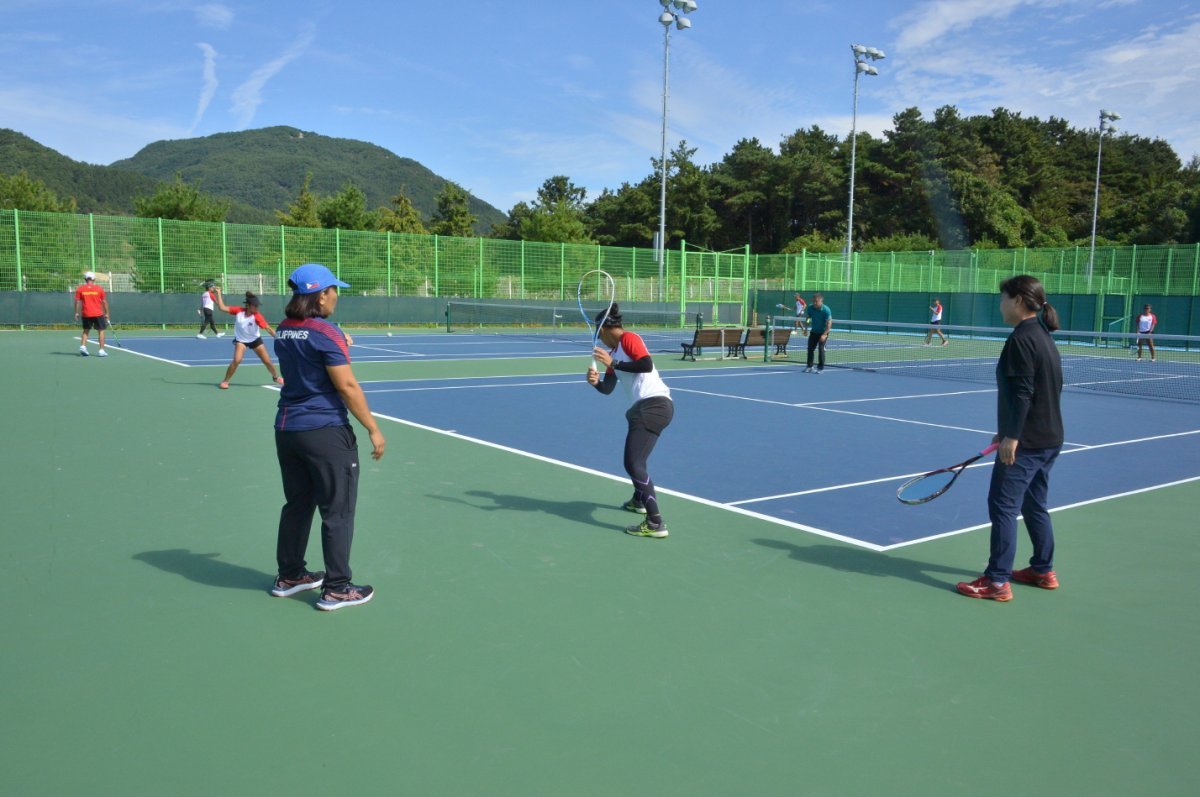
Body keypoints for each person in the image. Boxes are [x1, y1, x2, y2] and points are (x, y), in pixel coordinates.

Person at [271, 263, 385, 610]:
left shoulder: (283, 329)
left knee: (298, 503)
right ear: (321, 295)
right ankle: (337, 587)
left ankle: (290, 575)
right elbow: (347, 386)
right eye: (334, 290)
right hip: (325, 432)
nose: (337, 296)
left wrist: (335, 338)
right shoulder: (326, 333)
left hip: (288, 430)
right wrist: (373, 428)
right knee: (337, 511)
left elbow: (306, 349)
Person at [957, 275, 1064, 602]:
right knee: (1034, 504)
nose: (1000, 303)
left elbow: (1022, 394)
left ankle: (996, 580)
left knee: (1002, 505)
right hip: (1049, 438)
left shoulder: (1021, 339)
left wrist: (1012, 437)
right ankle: (1043, 570)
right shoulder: (1043, 336)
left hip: (1027, 443)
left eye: (1003, 297)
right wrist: (1006, 430)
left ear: (1018, 300)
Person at [587, 304, 675, 539]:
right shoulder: (614, 353)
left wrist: (612, 363)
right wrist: (595, 382)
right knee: (637, 460)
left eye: (599, 333)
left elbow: (645, 365)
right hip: (646, 409)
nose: (600, 339)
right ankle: (639, 501)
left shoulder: (629, 338)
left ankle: (656, 522)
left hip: (654, 405)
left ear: (605, 328)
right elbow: (607, 389)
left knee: (634, 464)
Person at [213, 288, 284, 389]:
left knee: (267, 361)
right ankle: (225, 381)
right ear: (248, 305)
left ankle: (276, 377)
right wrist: (219, 293)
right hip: (241, 341)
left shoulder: (257, 316)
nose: (257, 307)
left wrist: (279, 339)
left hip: (255, 340)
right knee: (237, 360)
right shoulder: (238, 311)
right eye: (255, 306)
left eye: (257, 306)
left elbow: (268, 328)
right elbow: (222, 307)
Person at [73, 271, 110, 357]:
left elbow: (77, 302)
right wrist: (107, 313)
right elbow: (104, 302)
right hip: (98, 314)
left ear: (85, 279)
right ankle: (101, 350)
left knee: (86, 330)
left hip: (86, 314)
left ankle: (83, 346)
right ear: (93, 279)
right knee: (101, 331)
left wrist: (76, 313)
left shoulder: (80, 289)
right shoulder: (99, 289)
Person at [801, 293, 832, 373]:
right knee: (810, 349)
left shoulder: (826, 310)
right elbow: (808, 318)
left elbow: (829, 323)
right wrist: (806, 328)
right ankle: (809, 366)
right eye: (813, 301)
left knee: (821, 349)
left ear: (821, 301)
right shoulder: (810, 308)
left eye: (816, 301)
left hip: (823, 333)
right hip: (814, 332)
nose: (814, 303)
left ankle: (820, 368)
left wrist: (824, 335)